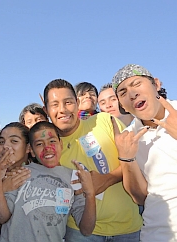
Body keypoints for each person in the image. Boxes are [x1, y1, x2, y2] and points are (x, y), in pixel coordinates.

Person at [42, 79, 142, 242]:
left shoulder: (104, 121)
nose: (62, 110)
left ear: (77, 103)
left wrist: (108, 178)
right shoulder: (49, 149)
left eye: (68, 102)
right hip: (79, 232)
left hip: (128, 228)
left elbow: (137, 160)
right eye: (54, 104)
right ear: (46, 110)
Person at [111, 64, 177, 241]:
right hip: (155, 235)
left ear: (156, 84)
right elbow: (140, 198)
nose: (132, 93)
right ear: (122, 104)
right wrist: (126, 158)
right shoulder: (130, 138)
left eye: (137, 83)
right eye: (123, 93)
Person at [0, 121, 96, 242]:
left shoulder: (73, 178)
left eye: (52, 141)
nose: (47, 148)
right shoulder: (21, 173)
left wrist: (90, 194)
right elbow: (2, 217)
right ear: (31, 150)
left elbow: (87, 229)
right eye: (39, 144)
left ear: (61, 144)